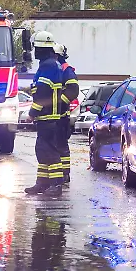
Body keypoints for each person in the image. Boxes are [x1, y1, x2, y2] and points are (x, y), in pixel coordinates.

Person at [25, 31, 67, 197]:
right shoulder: (51, 64)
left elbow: (42, 91)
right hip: (50, 116)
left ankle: (56, 184)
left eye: (36, 48)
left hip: (48, 116)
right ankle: (42, 183)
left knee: (48, 150)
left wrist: (32, 113)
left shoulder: (47, 65)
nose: (34, 51)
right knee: (42, 149)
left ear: (41, 49)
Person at [55, 43, 79, 184]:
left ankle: (65, 174)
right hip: (55, 115)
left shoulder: (66, 70)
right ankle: (60, 175)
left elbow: (73, 90)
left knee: (62, 145)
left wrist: (60, 103)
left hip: (62, 116)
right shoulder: (57, 69)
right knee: (56, 145)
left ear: (58, 56)